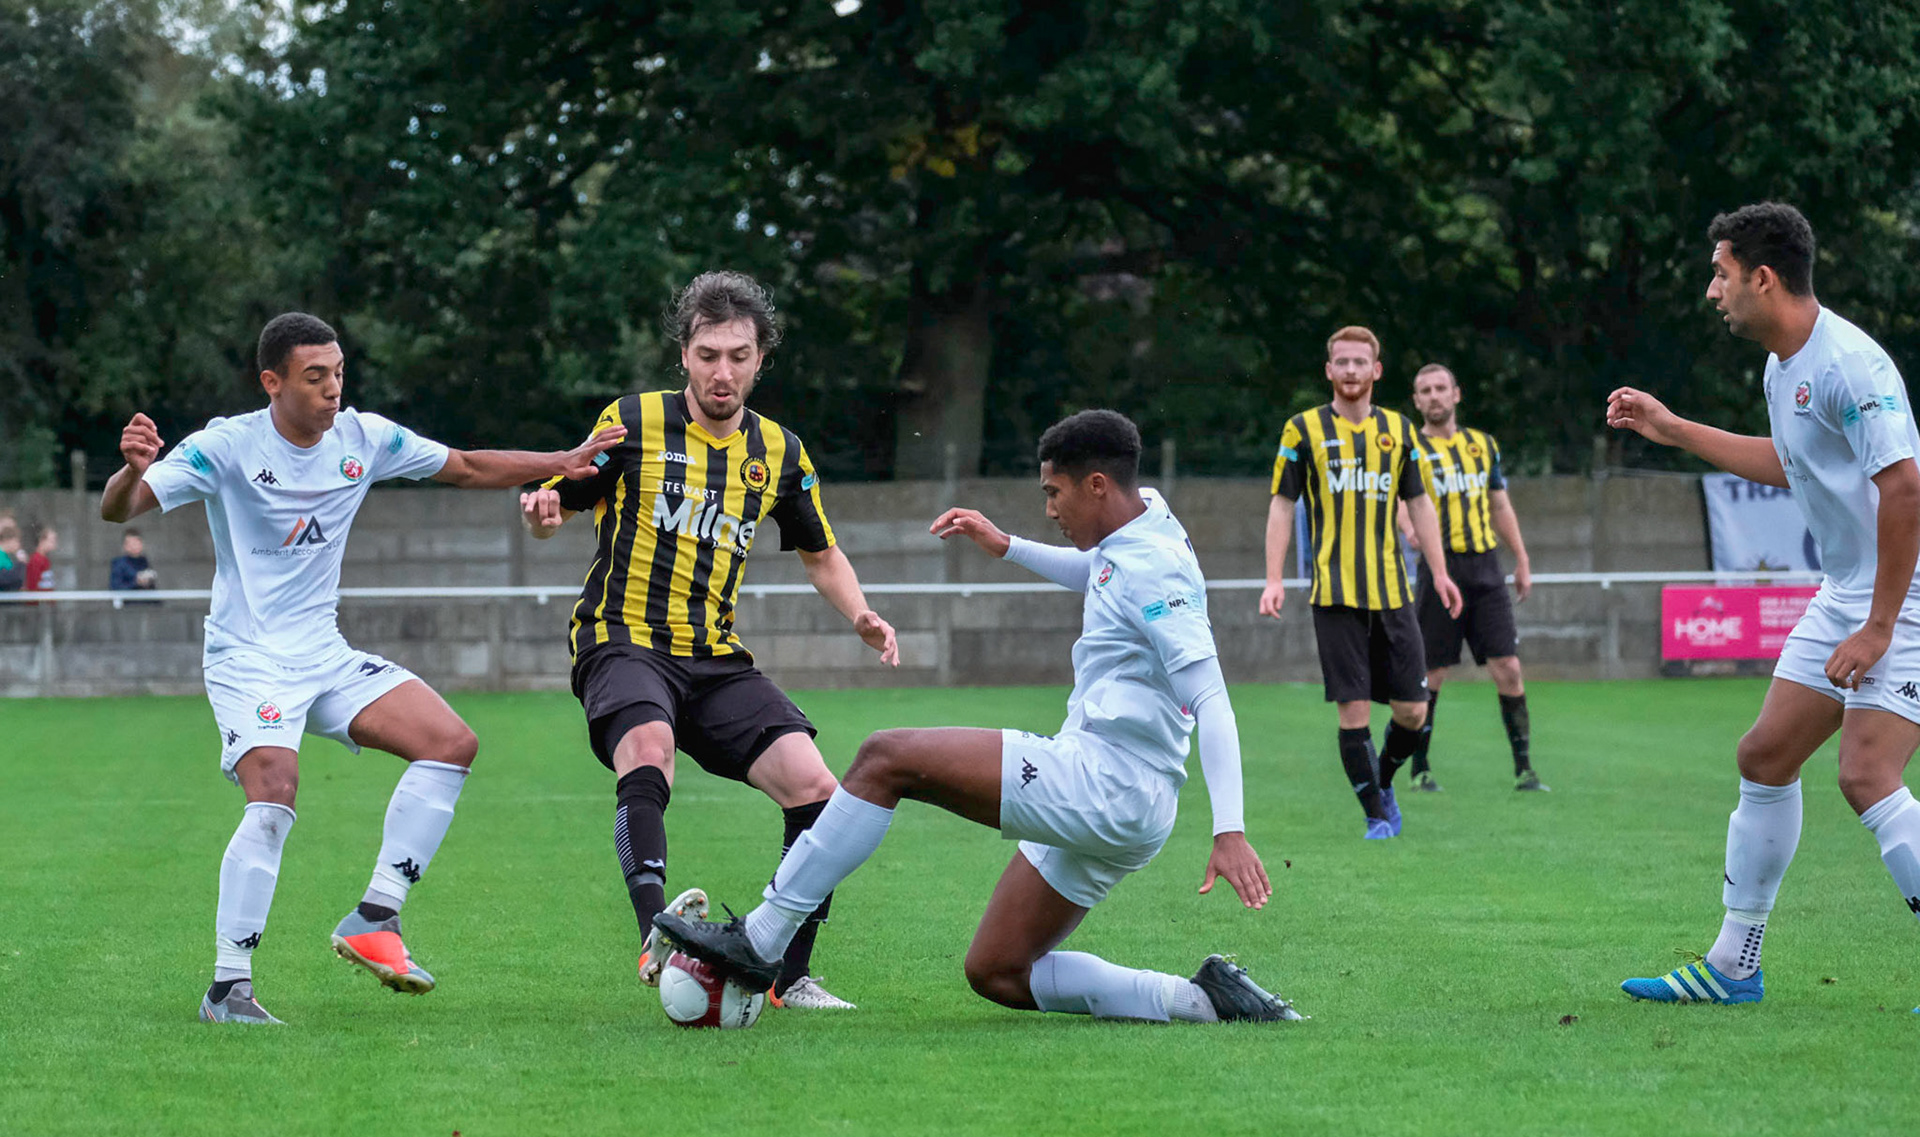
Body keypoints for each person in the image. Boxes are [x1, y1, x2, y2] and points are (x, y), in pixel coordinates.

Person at [654, 409, 1303, 1026]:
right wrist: (1008, 546)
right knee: (998, 971)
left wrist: (1230, 831)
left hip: (1111, 784)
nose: (1049, 509)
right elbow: (1102, 572)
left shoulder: (1156, 570)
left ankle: (761, 938)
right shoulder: (1145, 519)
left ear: (1098, 485)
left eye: (1055, 494)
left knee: (886, 757)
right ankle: (1202, 999)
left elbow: (1212, 696)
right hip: (1121, 794)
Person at [100, 311, 621, 1025]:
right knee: (275, 793)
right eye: (315, 378)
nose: (332, 390)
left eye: (339, 374)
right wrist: (129, 474)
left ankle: (375, 916)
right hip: (249, 659)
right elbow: (120, 508)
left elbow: (466, 466)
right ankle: (228, 987)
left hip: (325, 654)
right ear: (272, 381)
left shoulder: (365, 439)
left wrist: (562, 460)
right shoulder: (225, 445)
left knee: (451, 742)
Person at [520, 271, 895, 1011]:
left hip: (714, 658)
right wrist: (541, 513)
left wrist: (860, 613)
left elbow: (820, 552)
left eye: (738, 355)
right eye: (707, 353)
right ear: (683, 355)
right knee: (648, 748)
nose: (722, 371)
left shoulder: (781, 452)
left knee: (818, 788)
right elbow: (561, 497)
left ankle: (790, 973)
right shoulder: (631, 421)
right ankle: (655, 933)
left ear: (762, 360)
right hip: (619, 638)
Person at [1608, 201, 1920, 1006]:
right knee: (1765, 758)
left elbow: (1906, 486)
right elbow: (1793, 464)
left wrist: (1881, 625)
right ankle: (1732, 966)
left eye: (1720, 274)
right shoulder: (1785, 366)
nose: (1713, 290)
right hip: (1849, 592)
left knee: (1866, 774)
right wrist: (1675, 430)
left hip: (1905, 591)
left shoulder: (1850, 362)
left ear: (1763, 277)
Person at [1259, 326, 1462, 840]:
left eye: (1360, 362)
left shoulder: (1398, 431)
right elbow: (1283, 504)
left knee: (1413, 712)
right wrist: (1274, 578)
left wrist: (1439, 573)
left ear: (1376, 371)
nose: (1350, 370)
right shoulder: (1301, 429)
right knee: (1352, 712)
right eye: (1341, 362)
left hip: (1394, 593)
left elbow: (1419, 505)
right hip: (1334, 595)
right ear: (1329, 371)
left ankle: (1384, 781)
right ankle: (1375, 816)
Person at [1397, 364, 1548, 792]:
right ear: (1416, 400)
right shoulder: (1409, 448)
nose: (1433, 396)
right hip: (1439, 567)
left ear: (1456, 394)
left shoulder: (1482, 445)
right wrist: (1408, 529)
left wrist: (1520, 558)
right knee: (1434, 671)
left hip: (1485, 568)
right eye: (1424, 390)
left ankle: (1525, 769)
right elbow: (1397, 500)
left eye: (1440, 388)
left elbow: (1499, 504)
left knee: (1509, 668)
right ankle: (1420, 768)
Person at [24, 524, 58, 592]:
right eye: (52, 541)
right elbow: (32, 585)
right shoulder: (36, 560)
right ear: (42, 540)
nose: (55, 544)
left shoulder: (45, 559)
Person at [0, 516, 23, 592]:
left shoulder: (6, 557)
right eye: (17, 541)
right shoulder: (1, 556)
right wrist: (20, 564)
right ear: (8, 540)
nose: (18, 545)